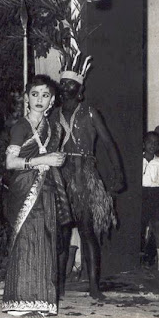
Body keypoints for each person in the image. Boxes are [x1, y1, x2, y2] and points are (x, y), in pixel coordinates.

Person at [52, 54, 124, 300]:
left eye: (69, 83)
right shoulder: (53, 115)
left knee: (87, 232)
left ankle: (94, 287)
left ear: (80, 89)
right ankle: (58, 287)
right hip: (61, 175)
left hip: (85, 176)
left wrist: (118, 174)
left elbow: (108, 143)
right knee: (61, 233)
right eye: (62, 83)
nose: (64, 86)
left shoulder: (90, 113)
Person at [1, 75, 71, 318]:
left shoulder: (54, 128)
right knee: (27, 240)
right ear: (26, 98)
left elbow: (52, 157)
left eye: (45, 95)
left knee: (46, 242)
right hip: (25, 191)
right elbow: (10, 162)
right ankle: (19, 303)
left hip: (47, 190)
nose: (40, 99)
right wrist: (44, 160)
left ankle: (42, 301)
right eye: (35, 94)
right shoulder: (21, 126)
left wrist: (56, 160)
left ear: (52, 100)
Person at [141, 131, 159, 272]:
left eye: (155, 143)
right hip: (141, 195)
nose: (152, 145)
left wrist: (155, 194)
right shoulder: (137, 160)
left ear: (158, 146)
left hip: (155, 195)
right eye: (149, 142)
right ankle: (139, 258)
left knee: (157, 227)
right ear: (143, 143)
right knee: (139, 227)